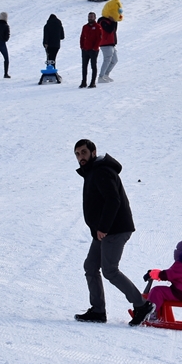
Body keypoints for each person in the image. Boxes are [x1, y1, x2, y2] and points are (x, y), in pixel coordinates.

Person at [73, 139, 153, 326]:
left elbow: (113, 200)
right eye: (77, 154)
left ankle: (142, 305)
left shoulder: (102, 171)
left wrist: (103, 227)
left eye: (83, 152)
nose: (80, 157)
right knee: (90, 266)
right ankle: (98, 311)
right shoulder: (93, 171)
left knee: (110, 270)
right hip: (103, 231)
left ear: (93, 152)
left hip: (114, 230)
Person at [144, 235, 182, 321]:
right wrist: (155, 272)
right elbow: (172, 273)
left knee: (156, 291)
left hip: (178, 293)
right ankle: (158, 312)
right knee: (162, 292)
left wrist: (153, 274)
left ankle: (151, 313)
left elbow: (168, 274)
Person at [98, 0, 122, 83]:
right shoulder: (102, 20)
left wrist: (114, 21)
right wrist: (113, 22)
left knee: (114, 60)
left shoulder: (111, 21)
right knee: (107, 59)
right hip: (105, 43)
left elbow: (114, 30)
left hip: (111, 43)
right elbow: (109, 30)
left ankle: (105, 75)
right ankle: (100, 76)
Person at [80, 12, 102, 88]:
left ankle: (93, 82)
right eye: (89, 17)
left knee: (93, 66)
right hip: (85, 49)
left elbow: (99, 38)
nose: (90, 18)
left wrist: (95, 48)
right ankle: (83, 82)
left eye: (92, 17)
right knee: (84, 67)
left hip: (93, 50)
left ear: (95, 18)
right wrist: (82, 46)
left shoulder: (97, 27)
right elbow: (82, 37)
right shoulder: (85, 27)